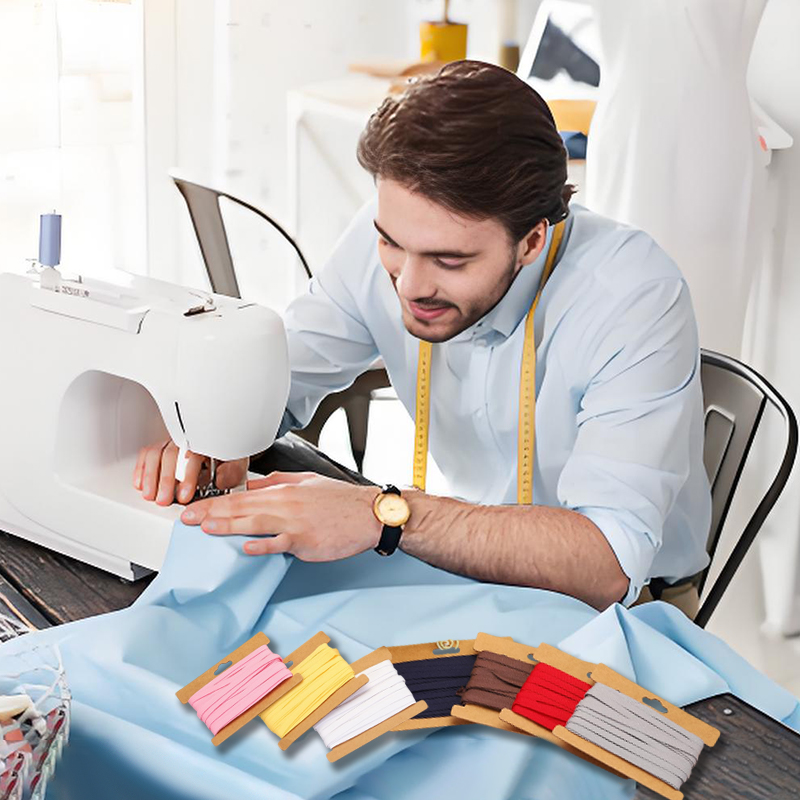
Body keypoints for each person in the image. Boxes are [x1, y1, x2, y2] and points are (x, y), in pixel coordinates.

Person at [133, 61, 711, 616]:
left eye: (449, 260)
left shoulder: (634, 296)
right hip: (461, 566)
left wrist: (383, 513)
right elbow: (278, 383)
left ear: (532, 242)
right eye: (391, 243)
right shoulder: (396, 231)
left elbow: (607, 563)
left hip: (618, 604)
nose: (408, 284)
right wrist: (205, 431)